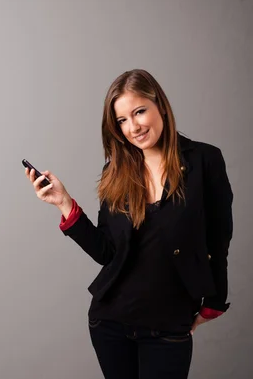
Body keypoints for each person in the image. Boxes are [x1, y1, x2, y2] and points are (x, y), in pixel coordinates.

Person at [25, 69, 233, 379]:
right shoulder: (116, 171)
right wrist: (64, 203)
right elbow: (107, 252)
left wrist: (214, 301)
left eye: (139, 112)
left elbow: (219, 237)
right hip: (110, 322)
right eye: (122, 121)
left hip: (169, 324)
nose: (133, 127)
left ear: (159, 105)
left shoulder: (205, 161)